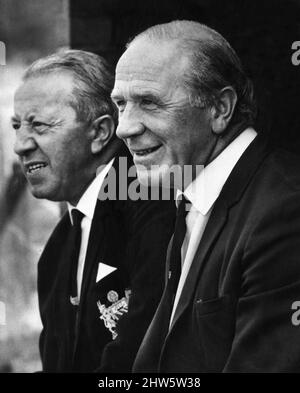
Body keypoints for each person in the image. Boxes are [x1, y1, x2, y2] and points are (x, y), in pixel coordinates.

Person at [112, 20, 300, 372]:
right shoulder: (194, 191)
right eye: (121, 104)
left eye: (149, 102)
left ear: (220, 109)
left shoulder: (285, 211)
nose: (125, 127)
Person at [12, 49, 175, 372]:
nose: (21, 144)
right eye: (17, 126)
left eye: (39, 125)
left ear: (100, 133)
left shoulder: (156, 203)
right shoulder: (57, 249)